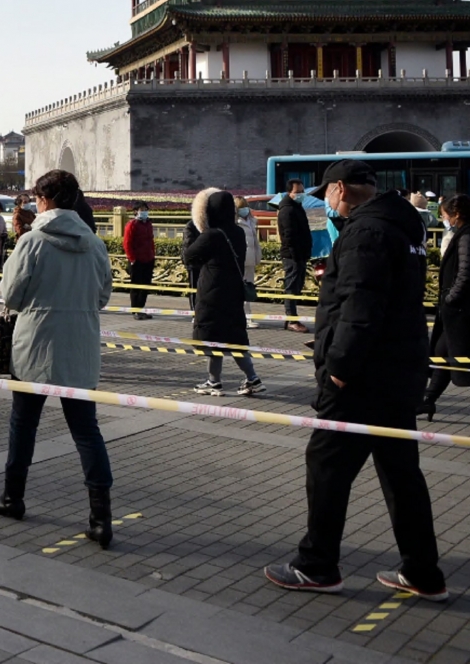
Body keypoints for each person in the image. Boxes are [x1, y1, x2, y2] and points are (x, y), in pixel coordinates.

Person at [265, 159, 447, 601]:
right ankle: (423, 572)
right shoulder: (405, 227)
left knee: (326, 467)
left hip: (361, 378)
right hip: (399, 373)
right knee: (401, 474)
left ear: (341, 188)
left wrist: (338, 372)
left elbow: (360, 310)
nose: (325, 199)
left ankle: (317, 565)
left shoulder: (365, 232)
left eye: (327, 191)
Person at [0, 169, 116, 548]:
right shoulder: (94, 244)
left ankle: (13, 497)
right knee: (87, 432)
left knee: (23, 425)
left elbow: (11, 296)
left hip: (35, 346)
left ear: (43, 200)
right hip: (81, 347)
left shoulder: (33, 242)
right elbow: (103, 297)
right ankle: (100, 517)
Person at [184, 188, 265, 397]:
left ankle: (215, 381)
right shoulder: (237, 231)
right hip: (233, 291)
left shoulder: (212, 235)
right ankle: (249, 378)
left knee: (213, 337)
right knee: (233, 337)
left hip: (212, 292)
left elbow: (188, 257)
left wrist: (192, 231)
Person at [417, 193, 470, 420]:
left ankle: (427, 400)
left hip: (461, 309)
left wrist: (452, 297)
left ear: (456, 214)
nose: (444, 219)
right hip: (455, 310)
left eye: (445, 215)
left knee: (455, 354)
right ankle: (428, 400)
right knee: (443, 352)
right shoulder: (462, 233)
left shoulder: (466, 236)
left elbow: (466, 272)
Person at [277, 179, 313, 333]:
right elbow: (288, 235)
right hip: (293, 255)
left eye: (302, 192)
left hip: (300, 254)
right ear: (289, 193)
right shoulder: (287, 210)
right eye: (297, 192)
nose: (301, 195)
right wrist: (295, 254)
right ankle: (291, 318)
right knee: (291, 287)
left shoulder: (297, 207)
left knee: (296, 286)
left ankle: (291, 318)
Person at [122, 201, 155, 319]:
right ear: (136, 211)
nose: (144, 211)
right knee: (136, 286)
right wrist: (132, 259)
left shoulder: (148, 224)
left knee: (145, 286)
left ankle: (141, 309)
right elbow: (127, 243)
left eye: (145, 209)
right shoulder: (132, 225)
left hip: (148, 259)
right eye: (142, 209)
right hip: (137, 260)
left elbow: (151, 241)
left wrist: (152, 255)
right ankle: (135, 310)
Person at [234, 196, 261, 330]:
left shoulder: (251, 221)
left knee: (248, 288)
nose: (245, 209)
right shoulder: (235, 222)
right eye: (241, 207)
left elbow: (255, 242)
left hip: (250, 259)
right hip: (240, 259)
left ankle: (246, 316)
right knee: (240, 289)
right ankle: (245, 317)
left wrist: (257, 256)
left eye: (245, 206)